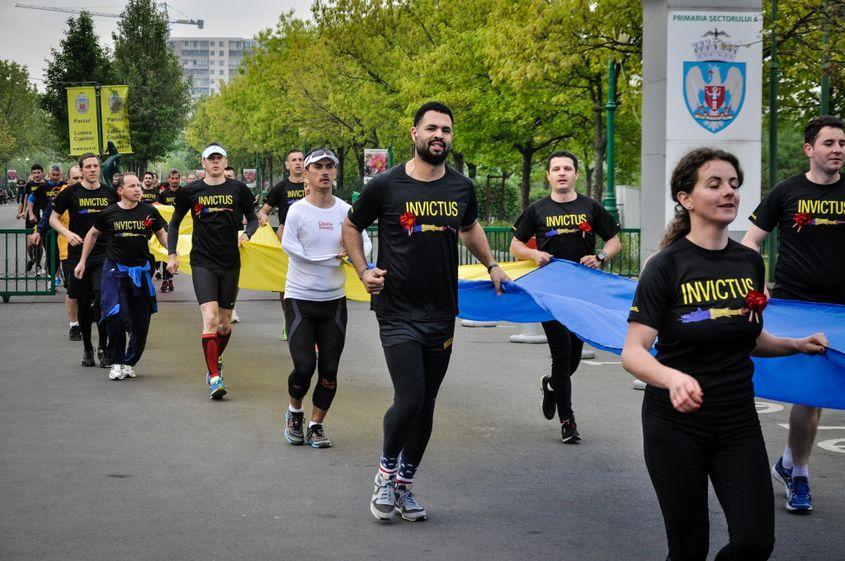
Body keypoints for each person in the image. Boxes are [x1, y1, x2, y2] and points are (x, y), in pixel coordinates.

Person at [622, 148, 828, 561]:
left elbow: (748, 337)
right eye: (714, 184)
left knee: (754, 543)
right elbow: (634, 352)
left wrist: (794, 344)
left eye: (734, 184)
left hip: (737, 420)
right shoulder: (664, 266)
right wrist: (672, 378)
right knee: (688, 548)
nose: (728, 192)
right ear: (685, 198)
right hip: (675, 425)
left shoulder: (750, 262)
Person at [343, 101, 510, 522]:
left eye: (447, 130)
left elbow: (470, 228)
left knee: (427, 402)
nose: (440, 135)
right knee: (410, 396)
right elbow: (351, 225)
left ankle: (405, 485)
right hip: (396, 310)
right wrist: (364, 270)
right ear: (414, 133)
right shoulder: (385, 185)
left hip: (441, 311)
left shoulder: (460, 188)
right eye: (432, 128)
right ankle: (385, 473)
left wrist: (491, 264)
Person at [741, 114, 845, 513]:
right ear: (809, 149)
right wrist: (756, 283)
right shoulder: (786, 191)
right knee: (809, 392)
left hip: (840, 310)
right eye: (828, 143)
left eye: (841, 144)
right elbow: (751, 240)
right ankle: (798, 471)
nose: (836, 150)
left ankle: (788, 464)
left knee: (817, 395)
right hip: (795, 304)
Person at [510, 150, 622, 443]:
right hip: (550, 294)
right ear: (548, 175)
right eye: (556, 169)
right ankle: (568, 422)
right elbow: (515, 246)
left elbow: (614, 241)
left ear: (575, 175)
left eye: (567, 168)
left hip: (582, 294)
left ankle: (551, 386)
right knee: (561, 355)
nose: (562, 173)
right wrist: (534, 254)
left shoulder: (591, 207)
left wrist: (600, 256)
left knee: (572, 358)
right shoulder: (537, 210)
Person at [281, 148, 371, 448]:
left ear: (335, 172)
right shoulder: (297, 211)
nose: (324, 172)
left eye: (329, 166)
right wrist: (324, 259)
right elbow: (289, 246)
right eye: (317, 166)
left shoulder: (346, 211)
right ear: (306, 174)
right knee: (304, 366)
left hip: (333, 301)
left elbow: (365, 242)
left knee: (329, 369)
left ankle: (316, 424)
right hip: (300, 298)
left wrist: (352, 253)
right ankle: (295, 412)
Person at [167, 143, 258, 400]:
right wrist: (172, 255)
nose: (216, 162)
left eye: (219, 158)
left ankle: (214, 357)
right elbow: (174, 224)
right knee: (209, 318)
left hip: (230, 262)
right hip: (203, 262)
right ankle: (215, 376)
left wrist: (247, 234)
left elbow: (251, 218)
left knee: (224, 324)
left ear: (225, 162)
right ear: (203, 163)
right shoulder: (191, 191)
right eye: (211, 159)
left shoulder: (238, 188)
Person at [74, 173, 167, 380]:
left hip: (141, 272)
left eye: (139, 186)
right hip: (115, 271)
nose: (137, 189)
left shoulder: (149, 212)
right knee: (115, 316)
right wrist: (82, 261)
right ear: (120, 191)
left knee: (140, 321)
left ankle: (129, 362)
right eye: (132, 186)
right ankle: (116, 361)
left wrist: (173, 255)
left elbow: (161, 234)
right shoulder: (109, 213)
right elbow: (92, 234)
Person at [50, 153, 118, 367]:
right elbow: (53, 218)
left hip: (105, 254)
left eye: (95, 166)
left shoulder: (109, 193)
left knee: (101, 300)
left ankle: (103, 347)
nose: (92, 170)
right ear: (81, 169)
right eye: (87, 166)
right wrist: (66, 233)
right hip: (78, 255)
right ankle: (88, 348)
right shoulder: (70, 193)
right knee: (83, 303)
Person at [259, 149, 307, 339]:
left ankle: (305, 321)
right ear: (287, 165)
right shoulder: (280, 187)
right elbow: (264, 210)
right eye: (293, 160)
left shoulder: (312, 184)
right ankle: (289, 320)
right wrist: (263, 219)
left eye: (300, 159)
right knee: (284, 282)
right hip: (285, 239)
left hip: (309, 239)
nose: (297, 163)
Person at [33, 166, 83, 340]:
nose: (78, 181)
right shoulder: (61, 196)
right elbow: (48, 216)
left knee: (95, 289)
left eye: (80, 178)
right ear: (67, 179)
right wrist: (38, 231)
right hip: (68, 250)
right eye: (75, 178)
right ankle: (74, 325)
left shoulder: (92, 194)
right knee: (73, 291)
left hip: (92, 249)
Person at [28, 164, 66, 277]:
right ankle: (52, 274)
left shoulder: (65, 186)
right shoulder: (43, 187)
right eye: (53, 175)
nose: (55, 177)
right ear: (49, 174)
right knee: (50, 250)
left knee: (61, 250)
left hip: (63, 222)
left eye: (57, 175)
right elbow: (31, 199)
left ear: (61, 175)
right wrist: (30, 213)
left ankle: (59, 273)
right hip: (47, 222)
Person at [157, 169, 182, 292]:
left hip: (181, 228)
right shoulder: (163, 194)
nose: (174, 181)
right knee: (166, 252)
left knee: (175, 253)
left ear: (179, 179)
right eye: (172, 178)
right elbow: (159, 211)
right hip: (166, 228)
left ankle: (169, 279)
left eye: (176, 178)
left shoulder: (184, 193)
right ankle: (166, 280)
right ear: (169, 179)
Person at [18, 164, 45, 273]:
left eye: (38, 172)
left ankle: (38, 264)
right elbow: (24, 199)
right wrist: (22, 212)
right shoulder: (29, 185)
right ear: (32, 174)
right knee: (30, 244)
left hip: (42, 216)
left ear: (42, 173)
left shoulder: (46, 184)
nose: (37, 175)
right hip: (30, 216)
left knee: (39, 243)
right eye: (34, 173)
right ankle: (32, 259)